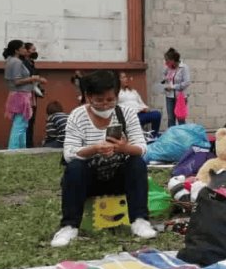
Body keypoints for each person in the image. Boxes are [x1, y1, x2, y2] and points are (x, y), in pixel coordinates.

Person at [50, 70, 156, 248]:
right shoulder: (77, 116)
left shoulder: (127, 114)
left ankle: (139, 220)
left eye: (110, 100)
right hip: (89, 180)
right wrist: (94, 149)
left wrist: (123, 148)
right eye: (99, 100)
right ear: (88, 97)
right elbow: (69, 153)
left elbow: (142, 148)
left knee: (136, 162)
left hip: (119, 178)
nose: (105, 105)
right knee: (75, 167)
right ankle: (69, 226)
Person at [2, 39, 45, 150]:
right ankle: (13, 148)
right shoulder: (16, 62)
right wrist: (32, 78)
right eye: (22, 48)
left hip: (17, 94)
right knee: (20, 124)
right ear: (17, 50)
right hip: (20, 95)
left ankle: (21, 148)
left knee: (22, 123)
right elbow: (16, 81)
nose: (24, 50)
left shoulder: (10, 60)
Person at [119, 72, 162, 136]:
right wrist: (136, 110)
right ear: (118, 80)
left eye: (126, 77)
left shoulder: (133, 91)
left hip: (141, 113)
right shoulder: (117, 93)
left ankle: (154, 135)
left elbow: (141, 103)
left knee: (157, 114)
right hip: (130, 116)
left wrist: (145, 108)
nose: (126, 79)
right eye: (123, 77)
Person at [160, 48, 191, 127]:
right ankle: (171, 137)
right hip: (169, 96)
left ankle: (182, 136)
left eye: (168, 61)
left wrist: (173, 87)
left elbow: (187, 82)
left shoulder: (184, 68)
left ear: (173, 60)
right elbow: (163, 75)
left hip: (180, 97)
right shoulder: (168, 67)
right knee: (171, 118)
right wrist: (164, 80)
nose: (166, 63)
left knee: (180, 118)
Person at [23, 42, 43, 148]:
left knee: (32, 120)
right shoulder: (23, 63)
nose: (35, 52)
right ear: (26, 51)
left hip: (33, 94)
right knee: (26, 120)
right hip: (27, 94)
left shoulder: (31, 63)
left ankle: (29, 143)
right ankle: (26, 144)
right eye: (33, 50)